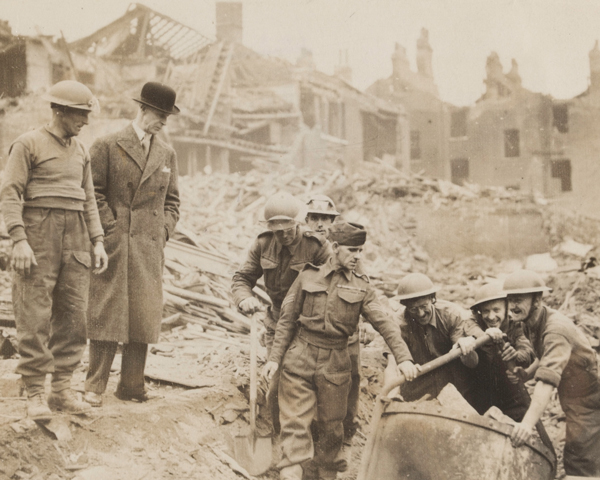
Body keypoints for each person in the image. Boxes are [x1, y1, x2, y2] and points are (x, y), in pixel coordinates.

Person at [263, 222, 418, 480]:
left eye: (361, 251)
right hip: (300, 358)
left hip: (335, 364)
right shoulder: (307, 276)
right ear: (334, 247)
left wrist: (404, 359)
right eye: (352, 250)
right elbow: (287, 321)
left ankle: (326, 473)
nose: (358, 256)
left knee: (332, 429)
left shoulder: (362, 286)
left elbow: (386, 324)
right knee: (294, 426)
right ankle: (291, 471)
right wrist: (274, 359)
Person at [0, 80, 108, 420]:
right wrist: (19, 238)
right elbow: (10, 192)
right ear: (59, 110)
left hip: (76, 238)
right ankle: (35, 392)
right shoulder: (27, 143)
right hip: (38, 236)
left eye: (88, 115)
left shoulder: (81, 151)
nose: (86, 121)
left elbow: (89, 198)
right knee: (34, 315)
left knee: (75, 316)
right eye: (80, 114)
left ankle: (61, 389)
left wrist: (98, 241)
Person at [84, 82, 180, 406]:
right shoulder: (107, 145)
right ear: (142, 109)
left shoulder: (167, 153)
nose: (163, 123)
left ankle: (132, 386)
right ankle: (94, 387)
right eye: (160, 115)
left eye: (167, 117)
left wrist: (163, 231)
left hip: (148, 247)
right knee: (106, 312)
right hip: (115, 244)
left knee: (143, 314)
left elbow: (173, 202)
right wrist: (110, 229)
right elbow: (92, 192)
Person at [232, 191, 331, 433]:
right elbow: (242, 278)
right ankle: (281, 443)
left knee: (312, 386)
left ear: (298, 223)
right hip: (277, 323)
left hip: (310, 325)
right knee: (276, 386)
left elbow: (333, 286)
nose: (284, 235)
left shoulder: (317, 247)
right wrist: (244, 298)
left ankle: (315, 444)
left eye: (289, 229)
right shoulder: (263, 243)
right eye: (278, 231)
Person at [507, 270, 600, 477]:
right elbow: (544, 354)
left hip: (590, 400)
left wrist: (527, 424)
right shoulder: (532, 321)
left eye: (519, 300)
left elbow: (546, 382)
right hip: (575, 396)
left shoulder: (555, 330)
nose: (513, 306)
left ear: (537, 299)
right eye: (511, 299)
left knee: (581, 464)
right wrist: (528, 373)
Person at [305, 194, 360, 443]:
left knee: (351, 374)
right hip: (310, 327)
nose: (320, 225)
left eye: (325, 219)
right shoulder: (300, 248)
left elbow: (361, 286)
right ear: (305, 220)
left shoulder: (345, 248)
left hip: (343, 328)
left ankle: (347, 428)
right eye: (314, 218)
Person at [385, 273, 481, 404]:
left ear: (432, 299)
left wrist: (466, 348)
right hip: (417, 393)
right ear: (405, 305)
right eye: (413, 309)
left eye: (424, 306)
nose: (420, 314)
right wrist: (390, 397)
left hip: (453, 390)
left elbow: (472, 363)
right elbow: (392, 365)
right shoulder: (397, 324)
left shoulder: (450, 315)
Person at [469, 282, 535, 420]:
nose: (491, 317)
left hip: (511, 395)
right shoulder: (474, 321)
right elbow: (469, 326)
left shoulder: (516, 324)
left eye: (496, 310)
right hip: (482, 395)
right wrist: (486, 335)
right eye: (486, 311)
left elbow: (527, 349)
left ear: (506, 308)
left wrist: (516, 356)